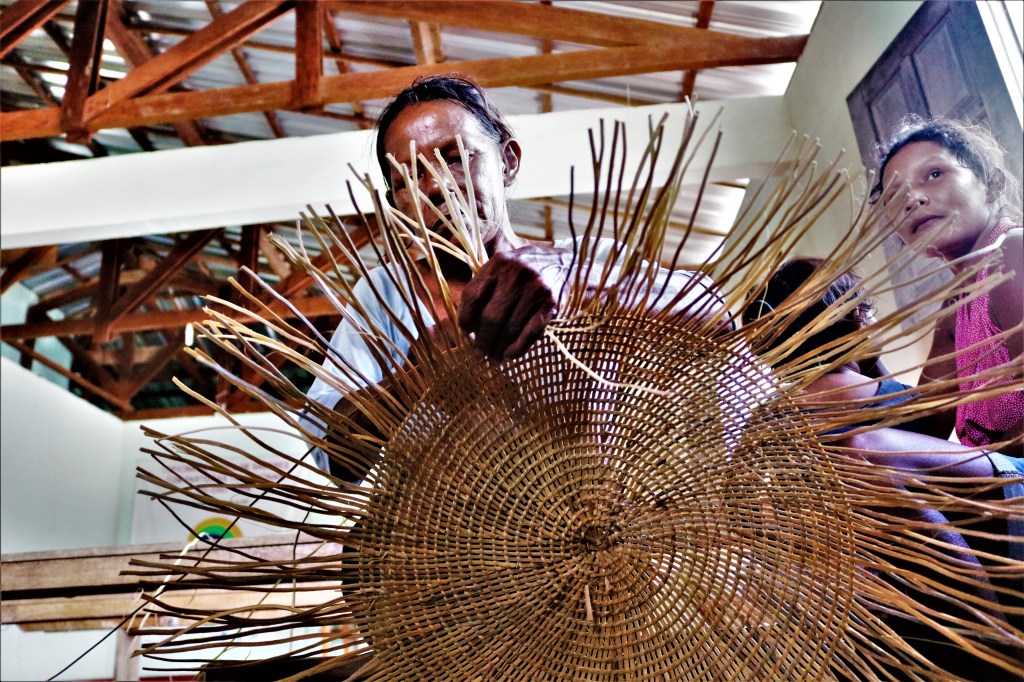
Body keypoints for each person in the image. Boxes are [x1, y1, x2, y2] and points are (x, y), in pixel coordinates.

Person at [304, 74, 723, 480]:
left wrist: (572, 287)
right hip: (450, 542)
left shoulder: (583, 260)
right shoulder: (386, 294)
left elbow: (714, 314)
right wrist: (415, 378)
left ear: (507, 161)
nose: (432, 187)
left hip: (596, 524)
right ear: (397, 204)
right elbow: (332, 456)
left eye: (454, 157)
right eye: (407, 178)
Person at [872, 116, 1023, 458]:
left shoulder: (1012, 251)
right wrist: (862, 360)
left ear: (991, 184)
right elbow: (927, 423)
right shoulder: (956, 306)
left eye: (934, 175)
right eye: (895, 195)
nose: (913, 199)